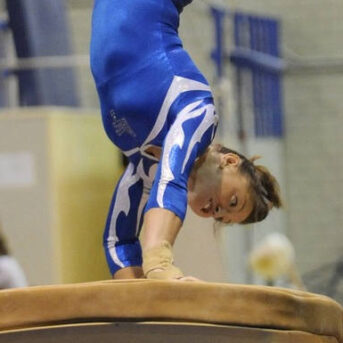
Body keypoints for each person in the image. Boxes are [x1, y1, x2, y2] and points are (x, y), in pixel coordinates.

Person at [90, 0, 281, 281]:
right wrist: (158, 262)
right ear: (229, 161)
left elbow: (117, 240)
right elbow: (173, 177)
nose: (217, 210)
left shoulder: (145, 169)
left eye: (221, 217)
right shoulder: (198, 114)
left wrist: (135, 298)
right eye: (233, 201)